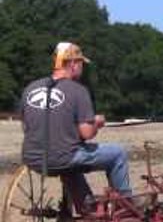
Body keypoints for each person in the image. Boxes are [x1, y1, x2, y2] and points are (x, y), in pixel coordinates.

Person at [19, 42, 135, 212]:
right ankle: (126, 205)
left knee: (68, 155)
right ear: (72, 64)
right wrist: (97, 123)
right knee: (118, 153)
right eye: (81, 63)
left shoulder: (31, 88)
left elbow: (26, 126)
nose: (82, 68)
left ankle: (85, 203)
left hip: (33, 159)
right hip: (62, 158)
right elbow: (87, 133)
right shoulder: (78, 90)